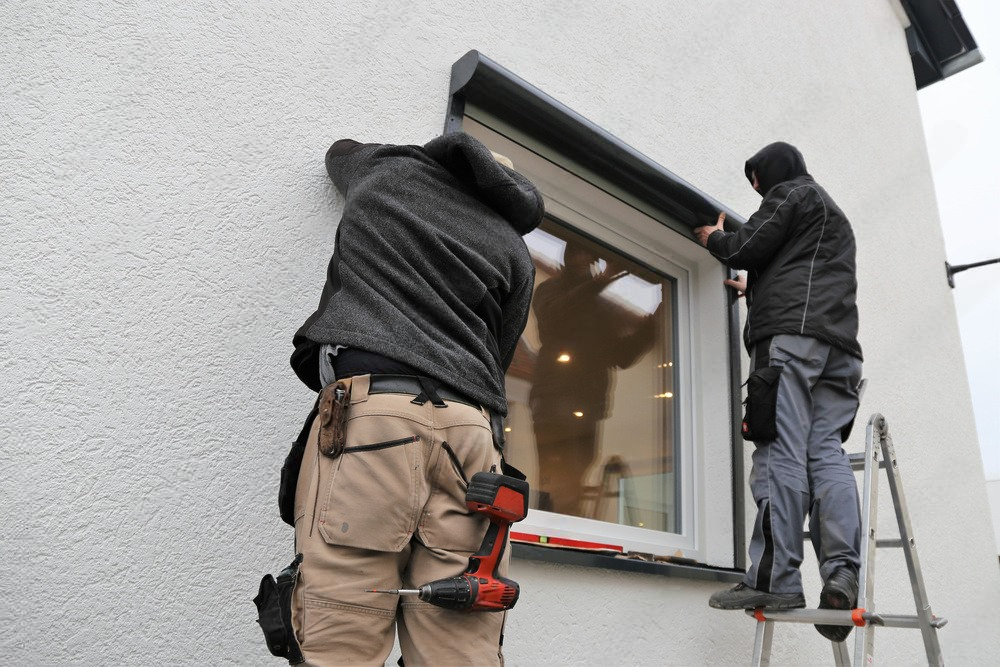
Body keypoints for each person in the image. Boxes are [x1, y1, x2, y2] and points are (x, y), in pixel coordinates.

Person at [288, 132, 544, 665]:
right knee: (460, 640)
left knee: (344, 629)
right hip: (472, 438)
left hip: (375, 420)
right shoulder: (514, 249)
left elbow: (338, 151)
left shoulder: (388, 174)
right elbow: (497, 359)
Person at [693, 142, 864, 643]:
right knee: (824, 451)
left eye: (756, 179)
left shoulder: (790, 193)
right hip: (840, 353)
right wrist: (759, 289)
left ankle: (774, 579)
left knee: (779, 451)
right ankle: (841, 571)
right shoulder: (835, 216)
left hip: (790, 344)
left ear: (770, 173)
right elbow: (803, 272)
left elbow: (747, 247)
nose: (757, 189)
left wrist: (715, 239)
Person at [528, 241, 656, 515]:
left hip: (588, 405)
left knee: (576, 475)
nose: (587, 261)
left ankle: (568, 536)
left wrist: (652, 325)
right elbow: (554, 320)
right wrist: (601, 281)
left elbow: (620, 356)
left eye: (591, 257)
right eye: (581, 253)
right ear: (570, 255)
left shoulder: (601, 307)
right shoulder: (551, 290)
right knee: (557, 475)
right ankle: (550, 536)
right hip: (554, 400)